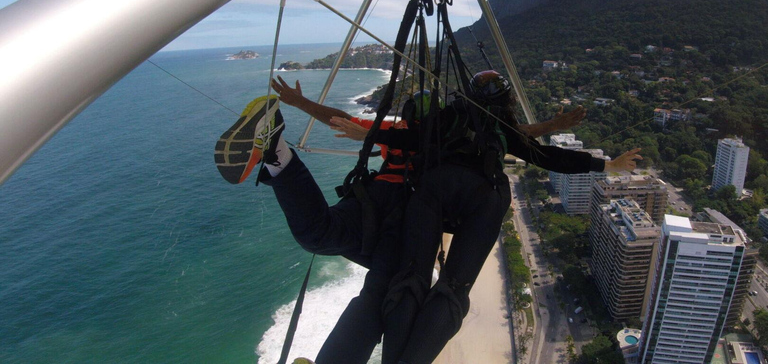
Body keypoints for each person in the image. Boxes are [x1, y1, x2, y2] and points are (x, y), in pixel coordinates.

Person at [214, 75, 589, 363]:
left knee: (317, 233)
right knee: (382, 293)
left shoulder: (399, 133)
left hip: (368, 201)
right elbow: (510, 133)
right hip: (402, 214)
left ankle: (277, 151)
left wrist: (299, 102)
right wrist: (551, 126)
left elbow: (339, 119)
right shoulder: (446, 140)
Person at [337, 70, 640, 364]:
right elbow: (548, 157)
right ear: (506, 100)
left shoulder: (449, 115)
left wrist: (369, 134)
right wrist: (607, 165)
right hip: (484, 196)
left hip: (436, 188)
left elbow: (413, 137)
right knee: (454, 288)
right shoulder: (503, 127)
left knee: (411, 276)